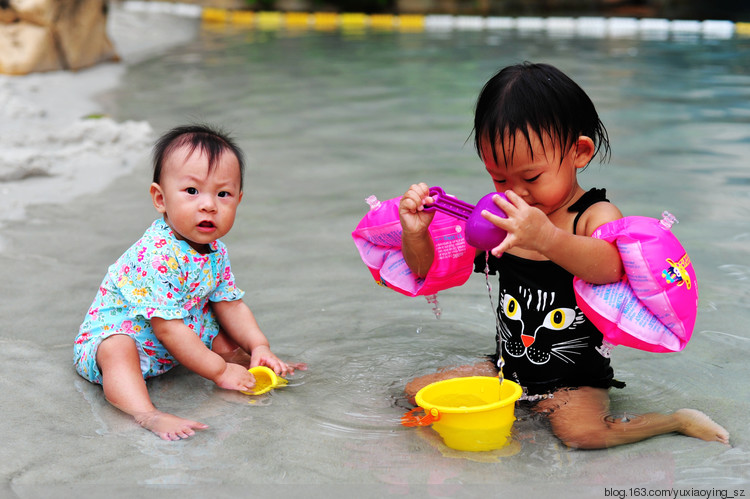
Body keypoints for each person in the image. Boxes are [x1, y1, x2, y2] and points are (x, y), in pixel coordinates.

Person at [399, 62, 729, 449]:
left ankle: (674, 421)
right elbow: (425, 270)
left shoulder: (593, 216)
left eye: (532, 177)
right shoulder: (504, 218)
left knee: (581, 434)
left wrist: (545, 238)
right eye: (500, 178)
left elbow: (608, 269)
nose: (516, 192)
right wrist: (415, 234)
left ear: (579, 153)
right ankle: (517, 412)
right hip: (508, 366)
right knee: (418, 391)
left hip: (575, 378)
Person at [74, 124, 306, 441]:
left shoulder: (215, 251)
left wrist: (258, 345)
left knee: (222, 333)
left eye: (223, 194)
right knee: (117, 349)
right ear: (160, 198)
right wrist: (219, 371)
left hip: (177, 331)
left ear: (238, 200)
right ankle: (147, 413)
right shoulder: (156, 255)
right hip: (131, 334)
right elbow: (166, 327)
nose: (209, 204)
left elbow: (231, 304)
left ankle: (257, 368)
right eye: (192, 191)